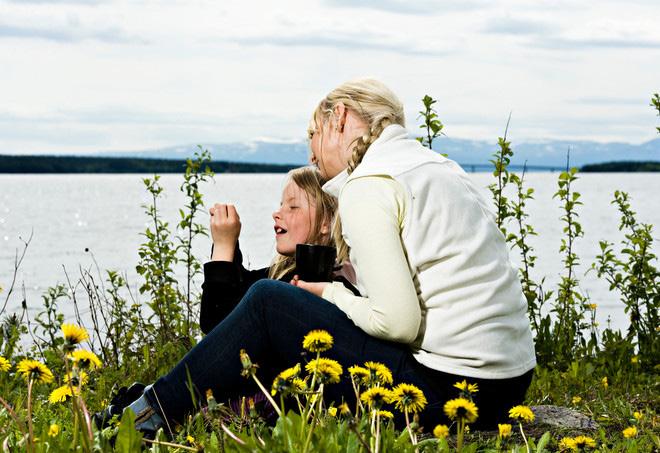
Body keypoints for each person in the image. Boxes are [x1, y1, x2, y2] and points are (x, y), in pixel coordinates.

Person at [101, 78, 536, 435]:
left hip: (450, 393)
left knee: (269, 303)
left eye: (313, 131)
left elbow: (399, 323)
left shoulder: (370, 184)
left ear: (340, 118)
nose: (310, 147)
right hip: (508, 385)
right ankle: (166, 405)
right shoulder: (437, 168)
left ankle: (142, 419)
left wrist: (331, 293)